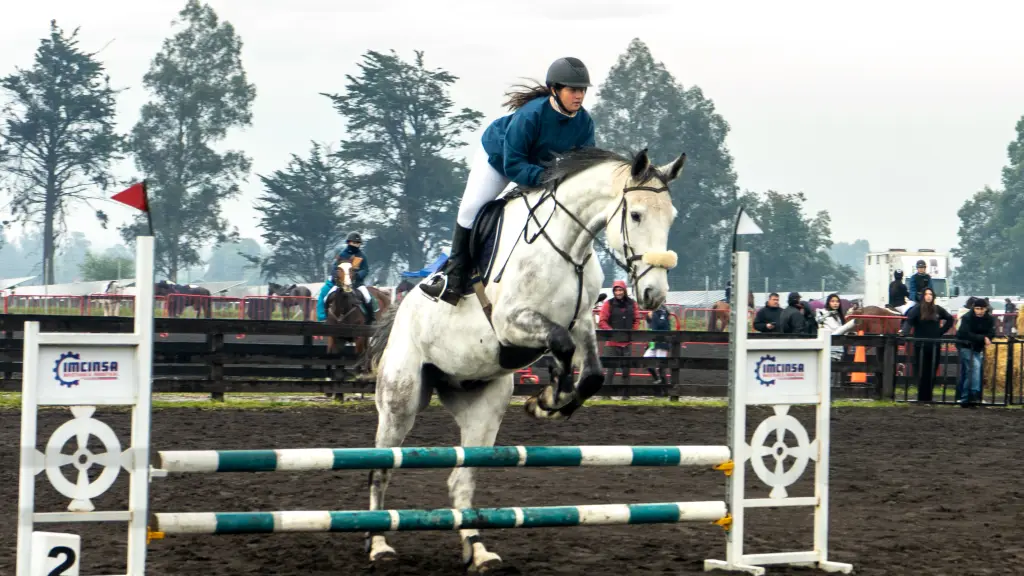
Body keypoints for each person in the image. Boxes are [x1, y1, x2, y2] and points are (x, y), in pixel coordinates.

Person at [420, 57, 596, 304]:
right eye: (573, 89)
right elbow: (513, 165)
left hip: (541, 170)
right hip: (500, 158)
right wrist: (546, 176)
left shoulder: (584, 123)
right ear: (555, 90)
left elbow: (585, 164)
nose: (579, 96)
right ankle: (454, 275)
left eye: (582, 90)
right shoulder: (530, 115)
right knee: (471, 209)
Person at [898, 287, 954, 402]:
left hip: (934, 345)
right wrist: (904, 332)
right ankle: (921, 397)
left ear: (933, 297)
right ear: (923, 296)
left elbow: (949, 319)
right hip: (920, 345)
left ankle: (929, 398)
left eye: (931, 294)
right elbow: (909, 321)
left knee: (932, 371)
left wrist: (940, 332)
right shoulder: (917, 309)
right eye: (926, 294)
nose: (928, 296)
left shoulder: (937, 309)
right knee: (921, 371)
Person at [598, 280, 640, 389]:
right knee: (610, 370)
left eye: (620, 290)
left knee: (626, 370)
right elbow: (602, 321)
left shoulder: (632, 303)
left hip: (627, 342)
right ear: (613, 291)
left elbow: (637, 319)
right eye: (616, 290)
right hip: (612, 343)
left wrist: (632, 332)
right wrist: (612, 332)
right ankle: (606, 394)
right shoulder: (608, 304)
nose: (618, 292)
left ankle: (625, 394)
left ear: (624, 290)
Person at [956, 297, 995, 407]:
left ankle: (966, 398)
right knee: (975, 367)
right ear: (974, 308)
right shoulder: (967, 317)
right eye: (977, 308)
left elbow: (992, 332)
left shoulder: (990, 319)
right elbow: (965, 333)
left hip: (977, 348)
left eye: (981, 309)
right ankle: (973, 395)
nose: (979, 311)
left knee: (971, 371)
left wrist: (987, 337)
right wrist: (983, 338)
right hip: (965, 345)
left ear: (985, 309)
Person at [335, 232, 374, 323]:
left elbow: (365, 270)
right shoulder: (342, 255)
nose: (356, 245)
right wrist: (336, 276)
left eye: (358, 243)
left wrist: (358, 275)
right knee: (327, 297)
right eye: (354, 242)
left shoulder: (362, 256)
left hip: (357, 284)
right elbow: (335, 268)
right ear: (348, 242)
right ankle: (326, 316)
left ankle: (371, 318)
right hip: (342, 284)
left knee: (368, 298)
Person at [816, 293, 856, 360]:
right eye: (832, 301)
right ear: (828, 302)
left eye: (837, 301)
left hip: (839, 348)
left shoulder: (838, 316)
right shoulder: (821, 312)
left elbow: (840, 329)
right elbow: (818, 321)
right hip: (828, 348)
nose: (835, 303)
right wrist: (828, 314)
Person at [644, 304, 672, 386]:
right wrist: (649, 317)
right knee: (645, 361)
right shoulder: (654, 311)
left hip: (661, 342)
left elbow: (661, 325)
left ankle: (664, 384)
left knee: (660, 365)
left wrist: (653, 315)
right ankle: (657, 379)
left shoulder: (663, 311)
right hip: (653, 342)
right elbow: (651, 324)